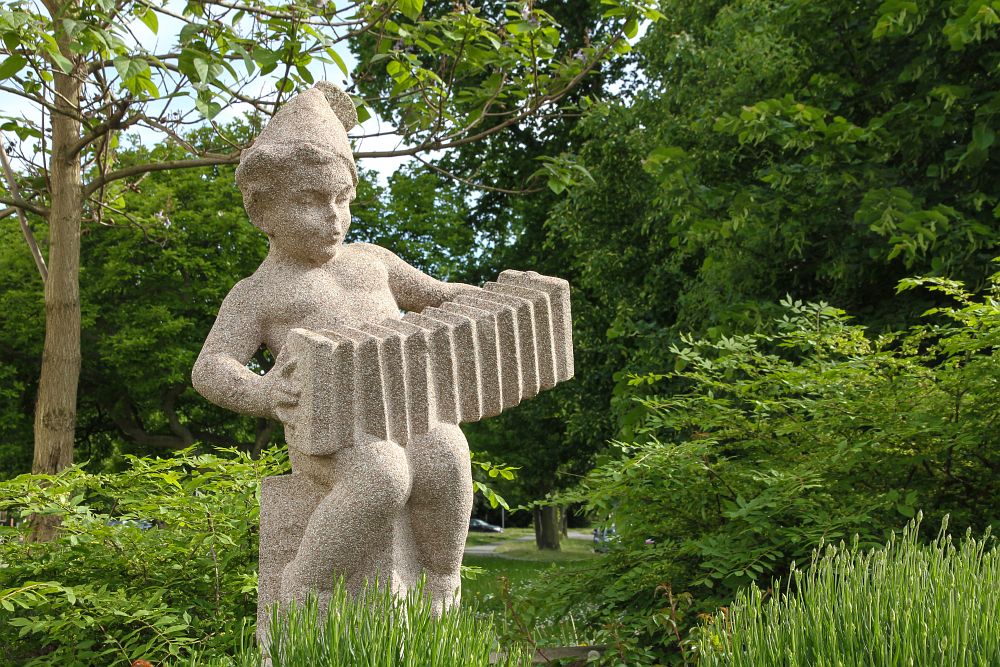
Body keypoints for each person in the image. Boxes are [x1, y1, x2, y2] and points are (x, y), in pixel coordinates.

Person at [191, 82, 476, 614]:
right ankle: (308, 583)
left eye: (341, 198)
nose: (334, 216)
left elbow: (441, 295)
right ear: (263, 210)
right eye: (310, 201)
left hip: (402, 408)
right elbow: (211, 366)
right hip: (328, 430)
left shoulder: (373, 261)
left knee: (447, 452)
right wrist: (264, 392)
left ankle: (441, 578)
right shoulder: (257, 292)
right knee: (382, 473)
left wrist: (501, 292)